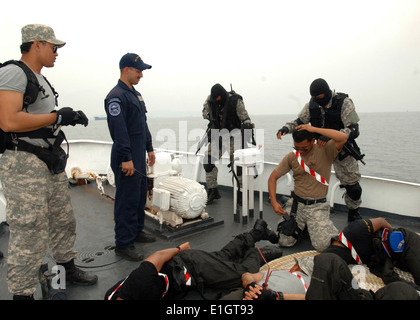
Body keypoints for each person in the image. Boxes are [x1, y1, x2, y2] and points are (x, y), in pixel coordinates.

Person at [0, 24, 96, 300]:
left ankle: (67, 267)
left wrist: (68, 116)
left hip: (47, 160)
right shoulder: (13, 73)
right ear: (36, 44)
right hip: (23, 164)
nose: (56, 53)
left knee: (63, 220)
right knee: (29, 231)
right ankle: (22, 294)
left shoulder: (40, 79)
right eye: (53, 48)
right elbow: (8, 120)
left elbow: (38, 116)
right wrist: (57, 117)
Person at [105, 219, 282, 300]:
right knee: (222, 258)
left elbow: (157, 257)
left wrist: (178, 249)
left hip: (189, 266)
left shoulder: (138, 282)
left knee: (241, 276)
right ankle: (255, 233)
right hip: (186, 277)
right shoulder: (111, 297)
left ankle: (256, 254)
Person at [277, 79, 363, 222]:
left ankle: (353, 212)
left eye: (320, 98)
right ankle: (304, 210)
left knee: (353, 188)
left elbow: (354, 129)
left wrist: (329, 135)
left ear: (327, 92)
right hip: (321, 149)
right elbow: (300, 122)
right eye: (314, 98)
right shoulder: (312, 104)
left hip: (341, 148)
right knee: (308, 180)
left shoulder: (344, 102)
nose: (317, 101)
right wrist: (286, 128)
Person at [105, 53, 156, 261]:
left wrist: (149, 147)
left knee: (138, 196)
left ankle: (136, 231)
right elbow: (120, 130)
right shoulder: (116, 96)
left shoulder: (136, 95)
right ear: (126, 69)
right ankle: (123, 243)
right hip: (126, 157)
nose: (141, 75)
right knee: (126, 199)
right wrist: (126, 157)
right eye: (138, 71)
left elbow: (142, 125)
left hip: (138, 155)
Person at [268, 124, 347, 251]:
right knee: (283, 241)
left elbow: (342, 137)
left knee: (322, 246)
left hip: (317, 207)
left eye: (304, 148)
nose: (300, 151)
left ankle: (310, 228)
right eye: (296, 147)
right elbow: (272, 178)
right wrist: (273, 202)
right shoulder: (292, 157)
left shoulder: (325, 150)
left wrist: (314, 129)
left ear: (313, 141)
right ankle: (304, 228)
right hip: (296, 206)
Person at [323, 217, 420, 290]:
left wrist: (394, 235)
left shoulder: (355, 230)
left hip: (405, 242)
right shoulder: (345, 255)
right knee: (389, 277)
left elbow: (381, 221)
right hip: (390, 257)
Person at [201, 84, 254, 203]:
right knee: (208, 162)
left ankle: (240, 192)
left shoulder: (235, 101)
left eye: (219, 98)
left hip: (234, 136)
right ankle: (213, 190)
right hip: (218, 136)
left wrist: (247, 128)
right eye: (215, 99)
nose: (217, 100)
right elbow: (204, 113)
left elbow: (245, 118)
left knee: (238, 166)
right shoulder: (210, 100)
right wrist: (209, 115)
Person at [223, 255, 313, 300]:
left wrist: (251, 286)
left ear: (296, 266)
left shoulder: (279, 272)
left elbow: (247, 275)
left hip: (250, 295)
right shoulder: (313, 286)